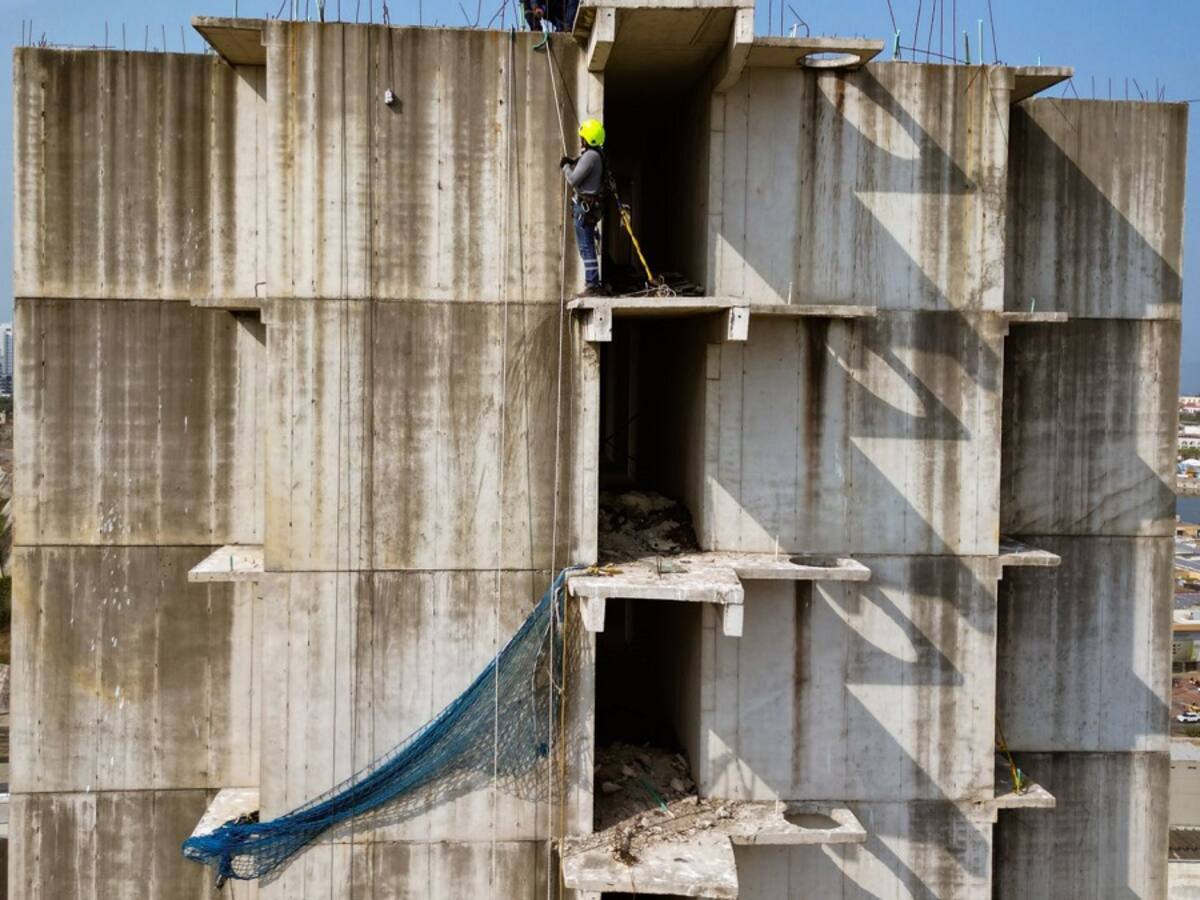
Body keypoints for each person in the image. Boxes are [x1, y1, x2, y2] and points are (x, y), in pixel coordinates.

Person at [561, 118, 607, 296]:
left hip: (584, 207)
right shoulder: (597, 155)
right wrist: (572, 161)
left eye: (583, 138)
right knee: (586, 246)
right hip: (589, 206)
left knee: (586, 247)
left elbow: (573, 180)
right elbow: (583, 164)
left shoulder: (590, 156)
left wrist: (565, 167)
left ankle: (593, 284)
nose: (581, 140)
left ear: (588, 138)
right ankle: (593, 282)